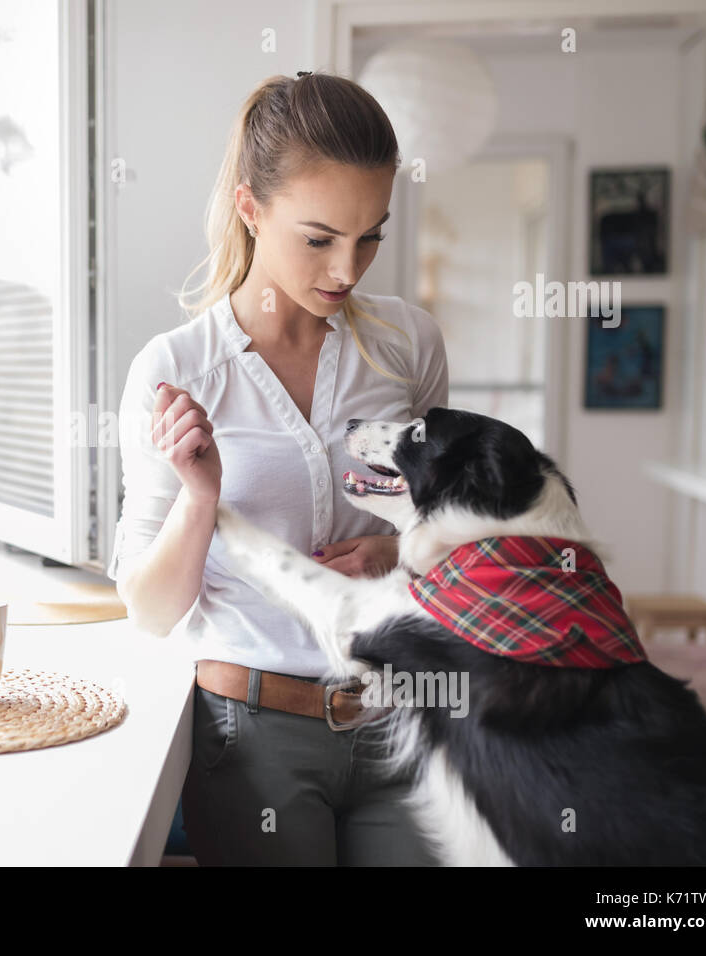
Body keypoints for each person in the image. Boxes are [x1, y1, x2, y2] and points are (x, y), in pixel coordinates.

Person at [106, 71, 450, 866]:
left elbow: (449, 527)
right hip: (253, 738)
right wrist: (200, 497)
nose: (348, 269)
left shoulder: (410, 346)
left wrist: (399, 550)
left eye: (371, 236)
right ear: (250, 209)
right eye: (320, 237)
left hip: (399, 719)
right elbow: (151, 613)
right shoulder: (177, 369)